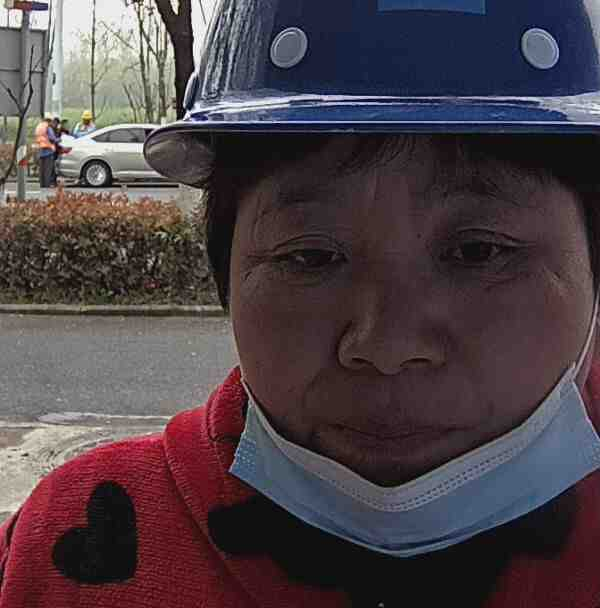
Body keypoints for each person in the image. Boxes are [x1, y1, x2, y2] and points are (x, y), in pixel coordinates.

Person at [3, 1, 600, 606]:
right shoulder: (63, 554)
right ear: (228, 271)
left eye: (478, 252)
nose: (386, 347)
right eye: (311, 256)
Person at [34, 115, 58, 189]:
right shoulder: (48, 128)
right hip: (48, 151)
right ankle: (46, 185)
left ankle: (42, 185)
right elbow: (52, 138)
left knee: (42, 170)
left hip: (40, 151)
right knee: (47, 170)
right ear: (49, 121)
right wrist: (59, 139)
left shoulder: (39, 127)